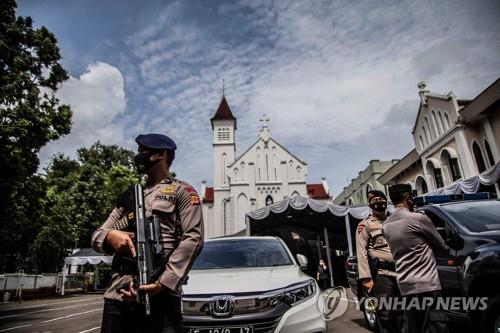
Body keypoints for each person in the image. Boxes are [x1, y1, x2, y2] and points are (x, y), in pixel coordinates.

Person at [91, 133, 204, 333]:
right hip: (120, 292)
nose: (139, 157)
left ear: (161, 154)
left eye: (143, 152)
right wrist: (110, 237)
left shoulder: (182, 192)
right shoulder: (130, 197)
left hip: (162, 293)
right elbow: (98, 235)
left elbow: (193, 238)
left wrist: (164, 282)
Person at [382, 184, 449, 333]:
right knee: (435, 326)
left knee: (414, 328)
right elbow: (441, 246)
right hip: (428, 285)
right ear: (408, 197)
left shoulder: (386, 225)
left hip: (405, 286)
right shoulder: (418, 218)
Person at [355, 190, 402, 333]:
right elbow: (361, 252)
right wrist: (366, 278)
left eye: (380, 199)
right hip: (382, 275)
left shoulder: (395, 221)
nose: (378, 202)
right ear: (370, 204)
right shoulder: (365, 225)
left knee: (403, 313)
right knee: (386, 314)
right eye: (374, 200)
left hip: (401, 273)